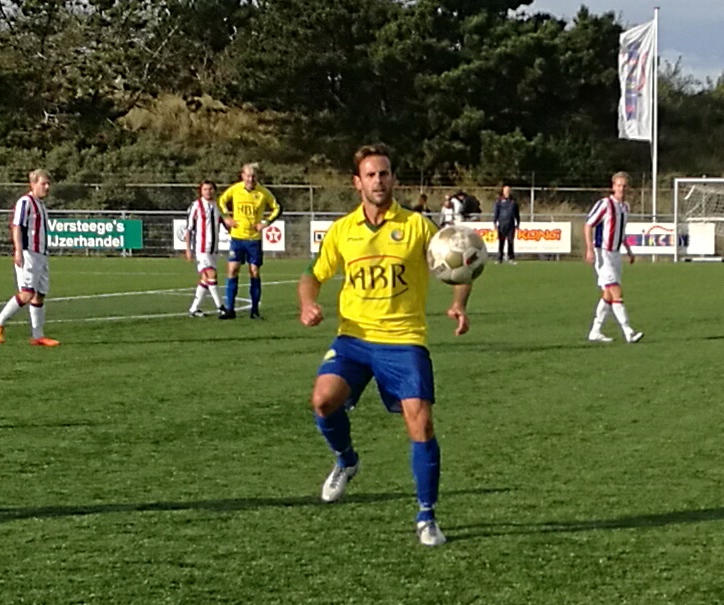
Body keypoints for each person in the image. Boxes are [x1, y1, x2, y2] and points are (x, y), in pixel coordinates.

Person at [301, 145, 474, 548]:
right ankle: (347, 461)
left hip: (403, 340)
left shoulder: (416, 227)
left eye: (385, 173)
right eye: (371, 175)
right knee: (323, 401)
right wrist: (308, 302)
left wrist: (458, 305)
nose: (379, 181)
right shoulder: (343, 230)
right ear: (357, 182)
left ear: (393, 179)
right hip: (353, 338)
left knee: (421, 424)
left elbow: (463, 261)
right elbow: (312, 274)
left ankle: (426, 516)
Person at [0, 168, 58, 345]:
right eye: (43, 183)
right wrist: (18, 250)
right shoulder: (25, 202)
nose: (47, 187)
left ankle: (37, 336)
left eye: (48, 183)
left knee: (39, 295)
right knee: (27, 293)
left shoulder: (40, 204)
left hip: (41, 254)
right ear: (33, 184)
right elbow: (17, 226)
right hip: (28, 253)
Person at [584, 173, 643, 344]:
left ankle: (595, 330)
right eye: (619, 185)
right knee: (616, 290)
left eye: (624, 186)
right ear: (613, 186)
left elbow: (621, 232)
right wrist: (589, 249)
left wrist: (629, 251)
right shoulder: (605, 204)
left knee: (608, 294)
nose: (621, 189)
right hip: (603, 253)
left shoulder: (625, 207)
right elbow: (588, 225)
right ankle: (628, 331)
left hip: (616, 254)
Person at [219, 163, 280, 320]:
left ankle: (254, 310)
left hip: (254, 239)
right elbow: (221, 202)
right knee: (232, 269)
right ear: (242, 176)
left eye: (253, 176)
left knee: (254, 272)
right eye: (248, 176)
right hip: (237, 237)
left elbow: (277, 208)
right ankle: (230, 309)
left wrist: (265, 223)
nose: (250, 179)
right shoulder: (235, 189)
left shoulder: (263, 192)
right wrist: (227, 217)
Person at [185, 178, 226, 316]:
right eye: (205, 189)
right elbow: (188, 229)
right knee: (212, 274)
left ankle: (194, 309)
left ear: (215, 191)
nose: (208, 192)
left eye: (210, 189)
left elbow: (225, 223)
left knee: (205, 278)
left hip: (214, 248)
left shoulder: (218, 206)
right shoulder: (196, 206)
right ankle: (221, 307)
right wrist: (188, 249)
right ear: (200, 191)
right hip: (202, 248)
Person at [492, 186, 522, 262]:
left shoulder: (513, 201)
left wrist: (518, 223)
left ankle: (511, 257)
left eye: (508, 191)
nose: (507, 192)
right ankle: (500, 258)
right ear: (503, 192)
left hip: (511, 224)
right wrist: (495, 222)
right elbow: (496, 212)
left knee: (510, 241)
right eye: (506, 191)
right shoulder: (499, 201)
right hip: (502, 224)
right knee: (501, 242)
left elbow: (517, 213)